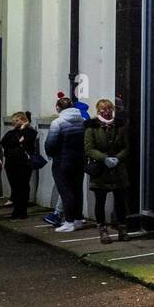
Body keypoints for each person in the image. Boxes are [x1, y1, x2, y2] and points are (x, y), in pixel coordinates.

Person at [85, 99, 130, 244]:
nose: (107, 111)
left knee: (121, 201)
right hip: (101, 170)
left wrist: (117, 158)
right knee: (100, 202)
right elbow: (89, 148)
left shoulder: (120, 126)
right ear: (98, 111)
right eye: (103, 109)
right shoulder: (92, 127)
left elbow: (126, 147)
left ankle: (122, 228)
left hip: (118, 170)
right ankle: (102, 230)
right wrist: (104, 158)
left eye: (109, 109)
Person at [44, 94, 87, 232]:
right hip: (80, 160)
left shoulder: (58, 122)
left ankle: (68, 221)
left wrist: (51, 154)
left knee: (66, 191)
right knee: (77, 189)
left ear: (58, 108)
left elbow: (50, 144)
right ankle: (78, 219)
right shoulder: (82, 120)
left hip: (62, 160)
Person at [0, 112, 39, 219]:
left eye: (17, 120)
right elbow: (4, 142)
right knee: (15, 187)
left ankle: (22, 211)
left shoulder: (30, 132)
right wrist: (18, 140)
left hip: (24, 164)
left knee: (23, 186)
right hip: (11, 163)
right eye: (13, 121)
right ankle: (16, 210)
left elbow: (28, 141)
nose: (14, 123)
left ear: (23, 120)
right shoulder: (11, 133)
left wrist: (22, 132)